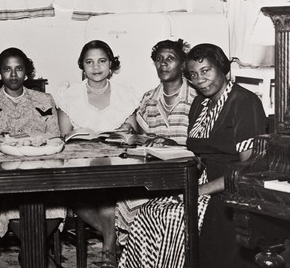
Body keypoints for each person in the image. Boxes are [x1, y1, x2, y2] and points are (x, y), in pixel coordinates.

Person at [118, 43, 266, 268]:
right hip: (199, 179)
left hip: (229, 188)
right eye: (194, 75)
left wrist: (200, 191)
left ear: (223, 68)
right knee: (147, 212)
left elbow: (249, 168)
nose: (199, 80)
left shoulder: (244, 102)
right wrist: (169, 146)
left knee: (172, 217)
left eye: (206, 71)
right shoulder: (199, 103)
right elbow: (198, 154)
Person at [55, 40, 138, 268]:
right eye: (89, 62)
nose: (96, 67)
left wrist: (127, 131)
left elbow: (132, 133)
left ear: (111, 64)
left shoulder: (125, 94)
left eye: (102, 61)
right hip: (80, 162)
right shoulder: (68, 95)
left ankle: (109, 247)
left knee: (108, 187)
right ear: (82, 65)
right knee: (79, 195)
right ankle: (115, 238)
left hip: (118, 162)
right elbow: (65, 136)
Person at [0, 47, 64, 268]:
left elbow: (55, 135)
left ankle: (30, 253)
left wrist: (28, 138)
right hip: (7, 172)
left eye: (19, 69)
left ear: (27, 73)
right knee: (12, 207)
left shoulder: (44, 99)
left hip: (43, 168)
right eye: (7, 69)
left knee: (56, 206)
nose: (13, 75)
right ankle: (37, 255)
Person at [115, 39, 197, 243]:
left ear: (183, 64)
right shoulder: (148, 99)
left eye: (170, 58)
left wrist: (173, 145)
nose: (163, 64)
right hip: (154, 174)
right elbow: (143, 140)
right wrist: (130, 134)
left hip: (188, 172)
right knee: (125, 200)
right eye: (159, 59)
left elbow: (204, 146)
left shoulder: (198, 97)